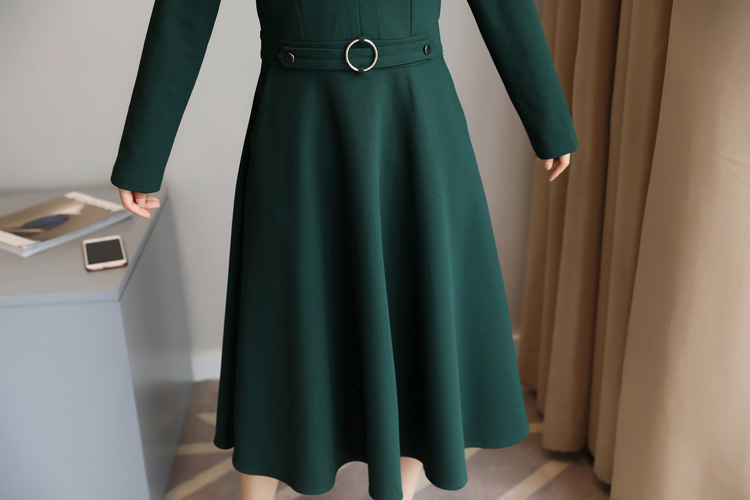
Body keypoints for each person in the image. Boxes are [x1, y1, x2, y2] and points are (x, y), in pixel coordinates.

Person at [111, 1, 576, 499]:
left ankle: (400, 491)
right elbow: (184, 14)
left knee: (412, 312)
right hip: (300, 125)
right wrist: (144, 153)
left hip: (416, 120)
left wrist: (546, 117)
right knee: (284, 317)